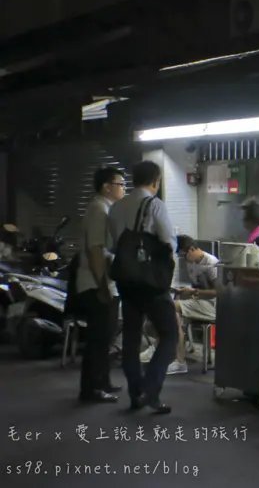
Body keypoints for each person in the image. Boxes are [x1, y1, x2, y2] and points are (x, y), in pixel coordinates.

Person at [108, 160, 177, 414]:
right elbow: (169, 243)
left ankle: (136, 393)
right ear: (155, 181)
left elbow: (113, 243)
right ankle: (151, 388)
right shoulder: (155, 205)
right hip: (151, 282)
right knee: (169, 334)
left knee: (131, 338)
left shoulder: (116, 207)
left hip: (126, 280)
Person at [76, 166, 126, 403]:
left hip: (106, 282)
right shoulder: (98, 210)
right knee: (97, 338)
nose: (124, 188)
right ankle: (91, 389)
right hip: (96, 283)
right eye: (121, 184)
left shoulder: (106, 209)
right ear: (107, 186)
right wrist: (102, 287)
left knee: (106, 336)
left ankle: (103, 381)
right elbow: (95, 249)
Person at [140, 235, 218, 375]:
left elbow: (218, 291)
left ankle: (159, 347)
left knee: (170, 307)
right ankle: (178, 359)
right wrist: (183, 291)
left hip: (212, 305)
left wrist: (194, 291)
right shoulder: (191, 263)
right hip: (198, 302)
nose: (184, 259)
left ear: (192, 249)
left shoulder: (211, 263)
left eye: (184, 255)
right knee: (173, 313)